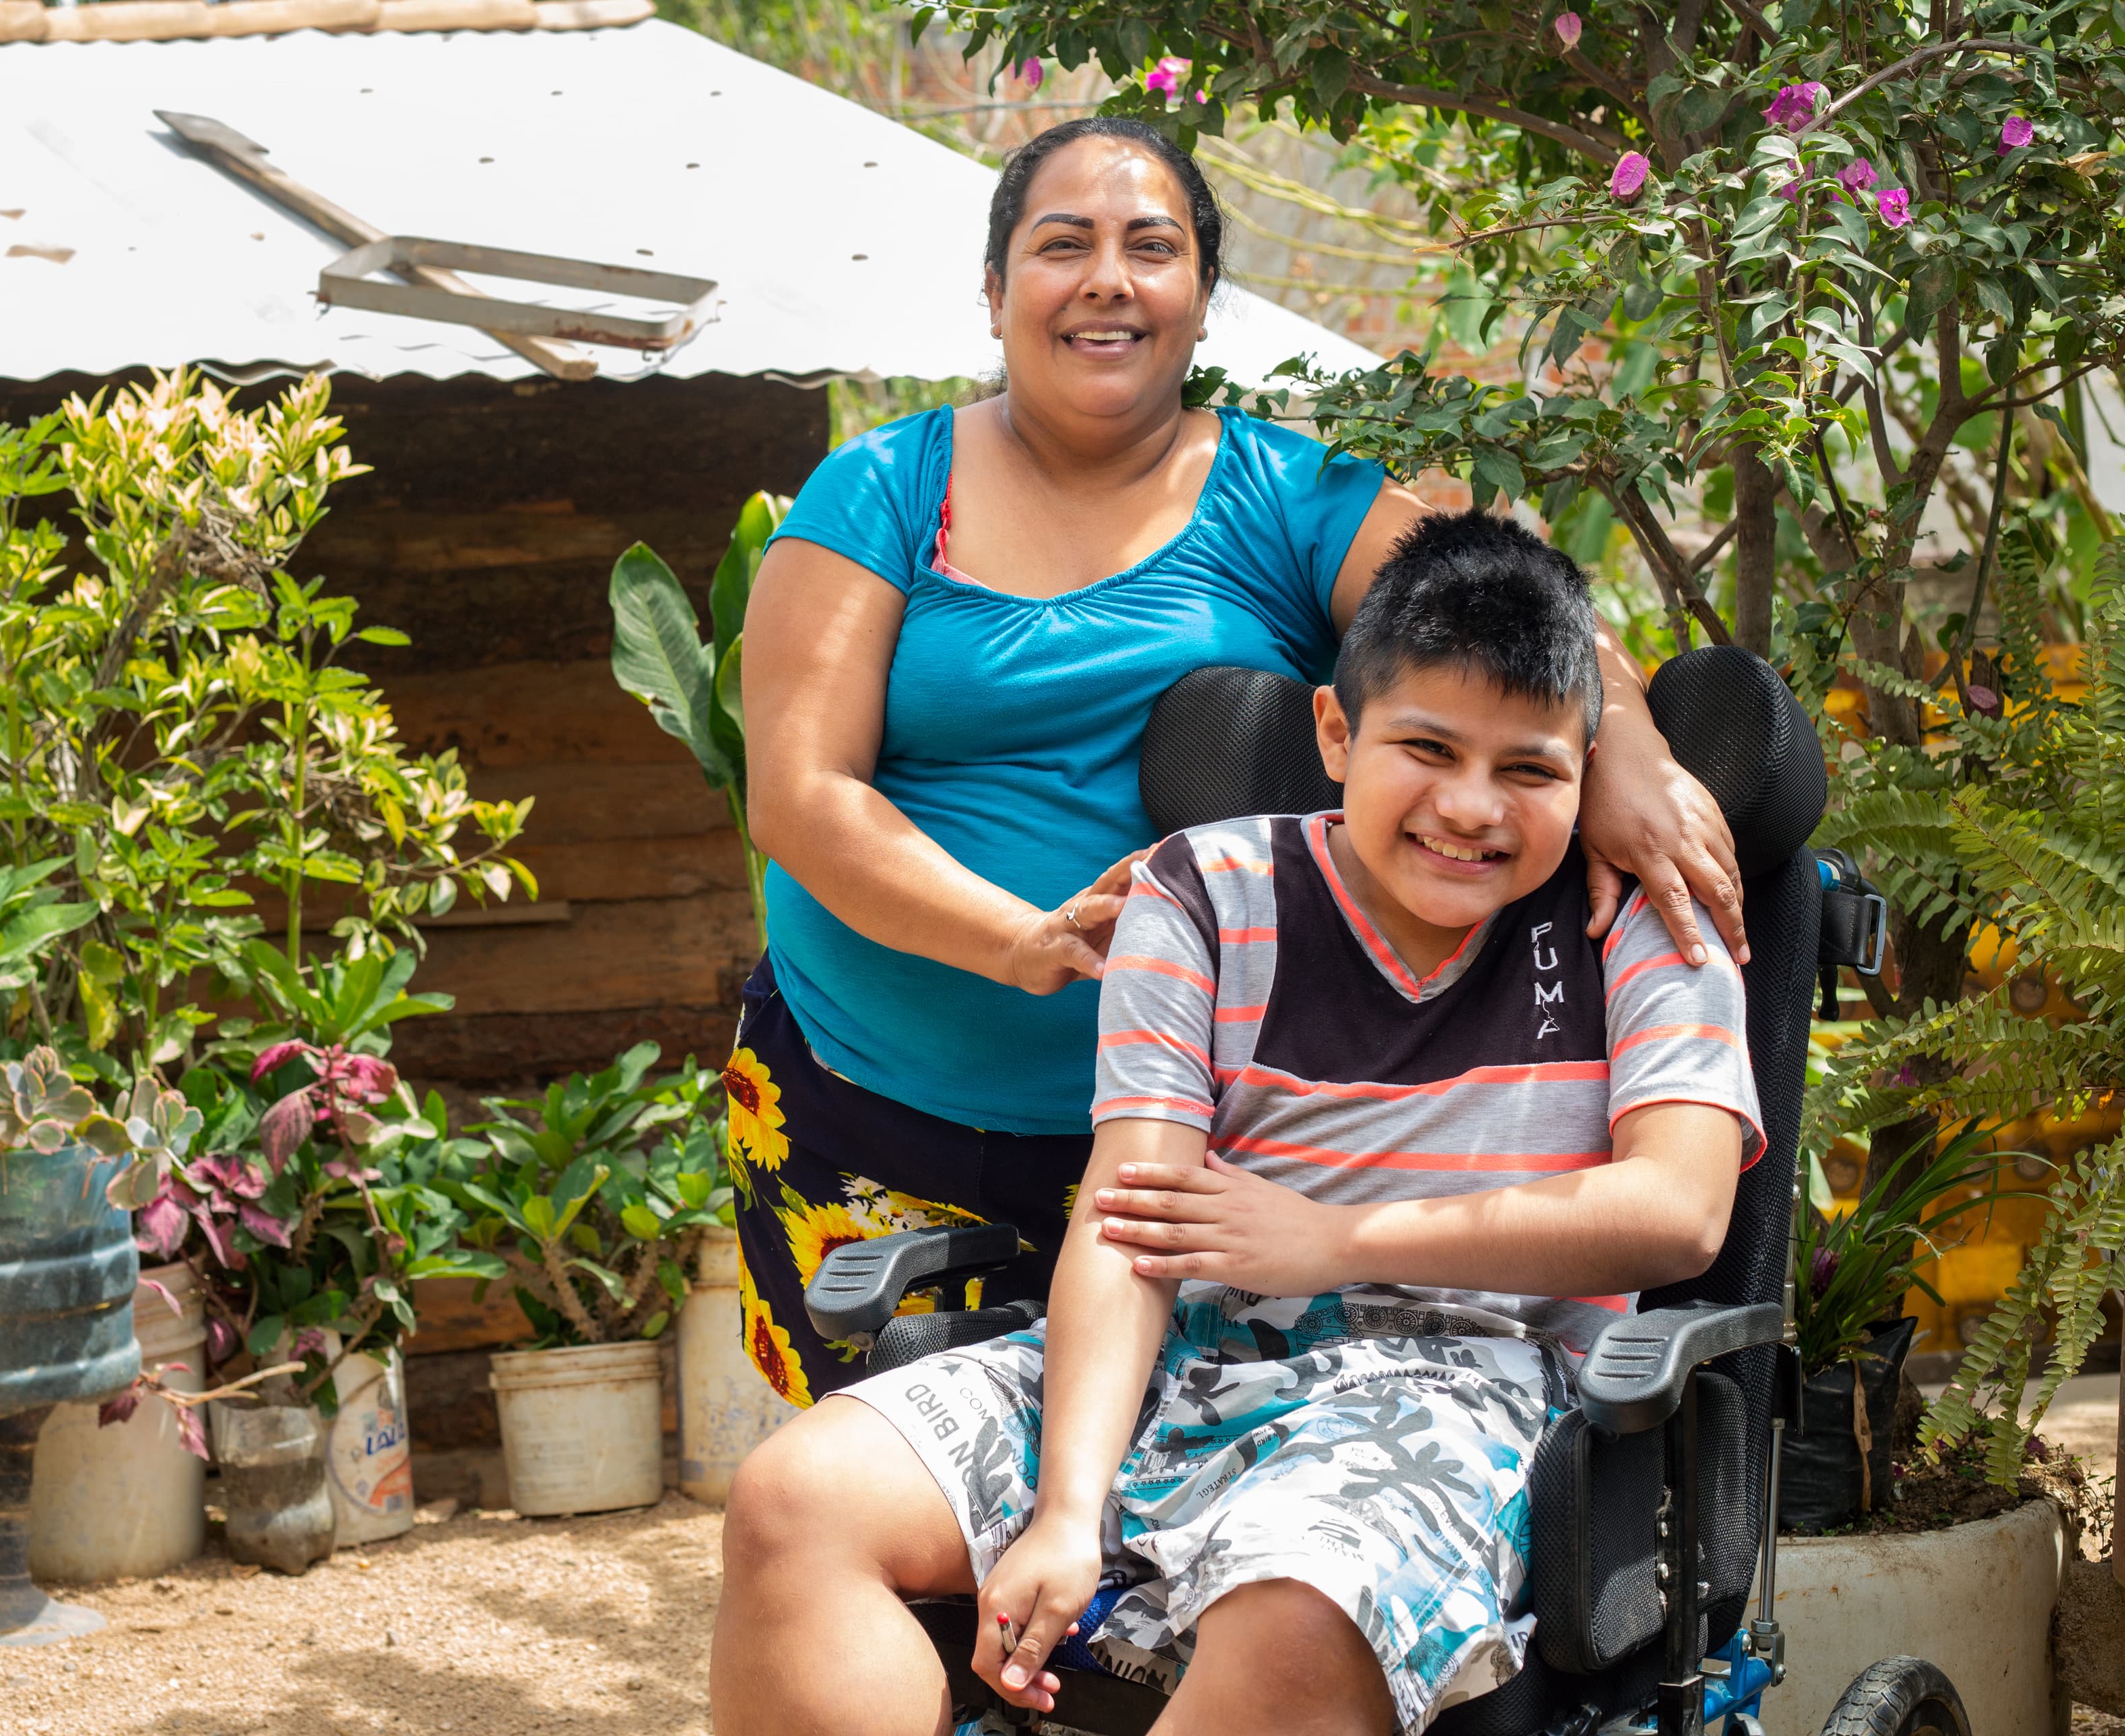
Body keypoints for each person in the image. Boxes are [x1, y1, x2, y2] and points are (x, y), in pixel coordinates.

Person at [726, 115, 1749, 1410]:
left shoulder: (1286, 490)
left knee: (1143, 1528)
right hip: (869, 1098)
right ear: (994, 293)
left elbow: (1502, 613)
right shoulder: (877, 487)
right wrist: (1021, 940)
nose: (1108, 278)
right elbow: (804, 796)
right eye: (1062, 246)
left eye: (1152, 248)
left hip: (1203, 1144)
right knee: (901, 1491)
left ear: (1202, 301)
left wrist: (1632, 750)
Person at [710, 511, 1764, 1736]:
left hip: (1467, 1381)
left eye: (1531, 770)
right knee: (797, 1499)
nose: (1473, 808)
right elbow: (1132, 1216)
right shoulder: (1205, 892)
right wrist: (1065, 1507)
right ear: (1336, 730)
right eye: (1427, 747)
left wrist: (1338, 1241)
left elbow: (1677, 1214)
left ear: (1590, 771)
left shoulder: (1646, 923)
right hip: (1182, 1352)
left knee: (1302, 1603)